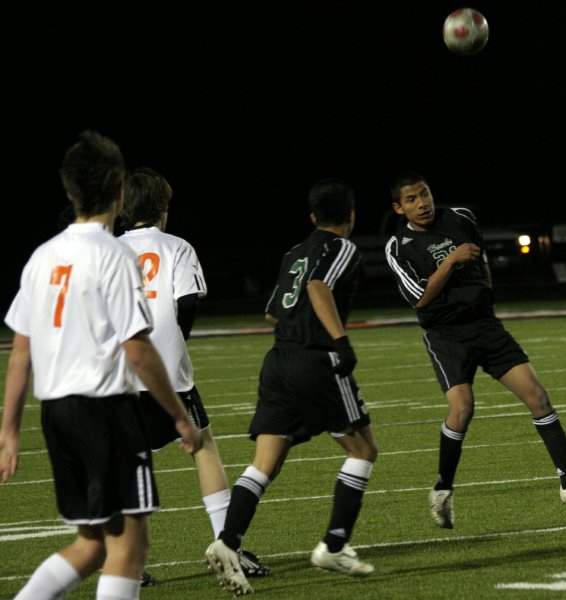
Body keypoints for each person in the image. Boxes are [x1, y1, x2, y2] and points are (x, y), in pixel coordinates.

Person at [0, 130, 202, 600]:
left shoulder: (42, 257)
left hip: (58, 415)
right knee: (130, 546)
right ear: (118, 191)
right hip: (105, 413)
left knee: (92, 544)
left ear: (70, 192)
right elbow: (137, 348)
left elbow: (21, 353)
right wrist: (178, 416)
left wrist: (9, 431)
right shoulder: (112, 255)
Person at [384, 171, 566, 529]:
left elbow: (480, 260)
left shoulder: (461, 217)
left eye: (425, 194)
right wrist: (450, 260)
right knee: (463, 408)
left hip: (485, 325)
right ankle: (442, 489)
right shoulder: (398, 246)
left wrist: (486, 297)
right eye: (411, 199)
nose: (422, 203)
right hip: (446, 334)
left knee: (539, 399)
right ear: (398, 207)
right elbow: (420, 299)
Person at [204, 178, 377, 595]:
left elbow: (272, 314)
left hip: (278, 360)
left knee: (265, 461)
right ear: (351, 215)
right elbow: (318, 286)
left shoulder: (293, 252)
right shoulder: (342, 247)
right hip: (315, 359)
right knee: (363, 449)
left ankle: (227, 543)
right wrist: (339, 340)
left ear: (313, 216)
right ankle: (334, 545)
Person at [118, 166, 268, 586]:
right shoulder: (177, 247)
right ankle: (228, 544)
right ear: (163, 209)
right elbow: (186, 306)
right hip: (168, 372)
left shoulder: (107, 249)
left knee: (129, 461)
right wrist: (174, 345)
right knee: (202, 447)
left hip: (118, 373)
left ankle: (126, 562)